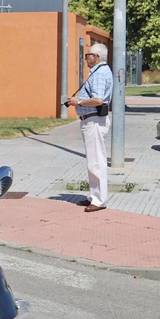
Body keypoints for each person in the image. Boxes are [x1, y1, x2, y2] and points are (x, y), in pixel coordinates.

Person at [66, 44, 113, 212]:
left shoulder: (99, 74)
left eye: (88, 55)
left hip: (94, 121)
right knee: (93, 161)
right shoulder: (100, 72)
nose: (86, 58)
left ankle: (99, 200)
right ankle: (94, 196)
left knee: (96, 161)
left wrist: (78, 102)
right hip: (92, 120)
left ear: (97, 56)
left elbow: (99, 100)